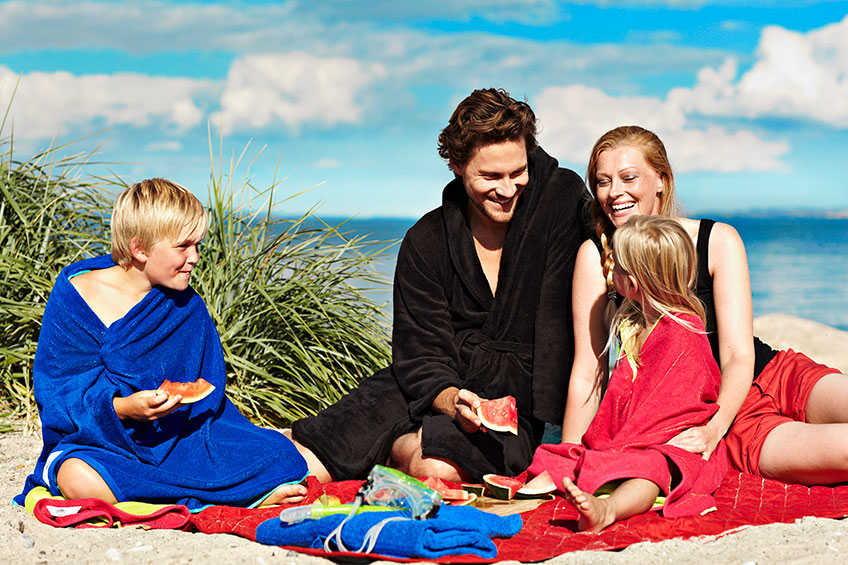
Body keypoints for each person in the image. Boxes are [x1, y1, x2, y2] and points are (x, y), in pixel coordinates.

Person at [290, 88, 590, 483]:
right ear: (456, 164)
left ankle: (402, 449)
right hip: (432, 387)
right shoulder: (426, 241)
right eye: (490, 176)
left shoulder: (562, 201)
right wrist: (452, 401)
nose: (507, 189)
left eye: (517, 172)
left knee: (434, 468)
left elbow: (629, 241)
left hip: (518, 402)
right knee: (303, 460)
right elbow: (419, 353)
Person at [562, 125, 848, 487]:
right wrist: (565, 460)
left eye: (628, 177)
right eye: (602, 181)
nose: (614, 192)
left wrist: (715, 427)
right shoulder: (595, 257)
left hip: (774, 375)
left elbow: (739, 356)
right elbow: (589, 372)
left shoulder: (717, 240)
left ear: (661, 180)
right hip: (732, 422)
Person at [15, 179, 309, 510]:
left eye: (198, 245)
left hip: (176, 437)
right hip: (100, 440)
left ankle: (166, 495)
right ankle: (226, 497)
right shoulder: (75, 295)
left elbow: (206, 401)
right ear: (140, 249)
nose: (195, 257)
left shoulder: (187, 306)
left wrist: (170, 407)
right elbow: (57, 392)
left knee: (282, 457)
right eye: (183, 247)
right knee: (76, 477)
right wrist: (123, 409)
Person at [530, 215, 727, 531]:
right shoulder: (635, 324)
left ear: (632, 284)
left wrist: (632, 441)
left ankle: (608, 510)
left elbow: (682, 402)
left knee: (651, 468)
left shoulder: (684, 330)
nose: (611, 273)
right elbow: (627, 397)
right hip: (635, 436)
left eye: (617, 268)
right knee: (558, 454)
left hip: (676, 443)